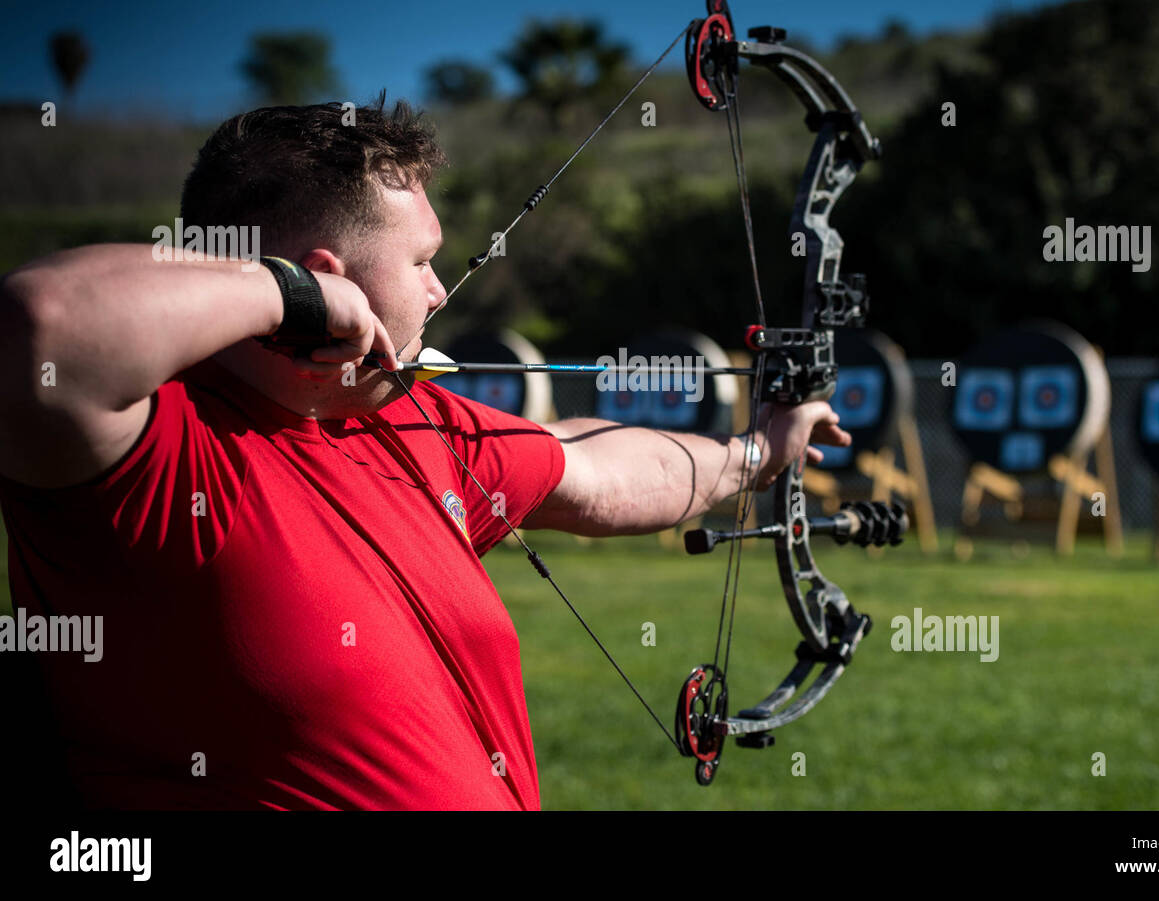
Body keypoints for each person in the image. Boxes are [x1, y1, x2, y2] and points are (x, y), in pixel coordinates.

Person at [0, 99, 848, 810]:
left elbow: (593, 467)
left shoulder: (411, 428)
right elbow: (39, 327)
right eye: (423, 261)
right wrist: (284, 296)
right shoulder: (164, 454)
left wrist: (756, 452)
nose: (442, 291)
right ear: (329, 277)